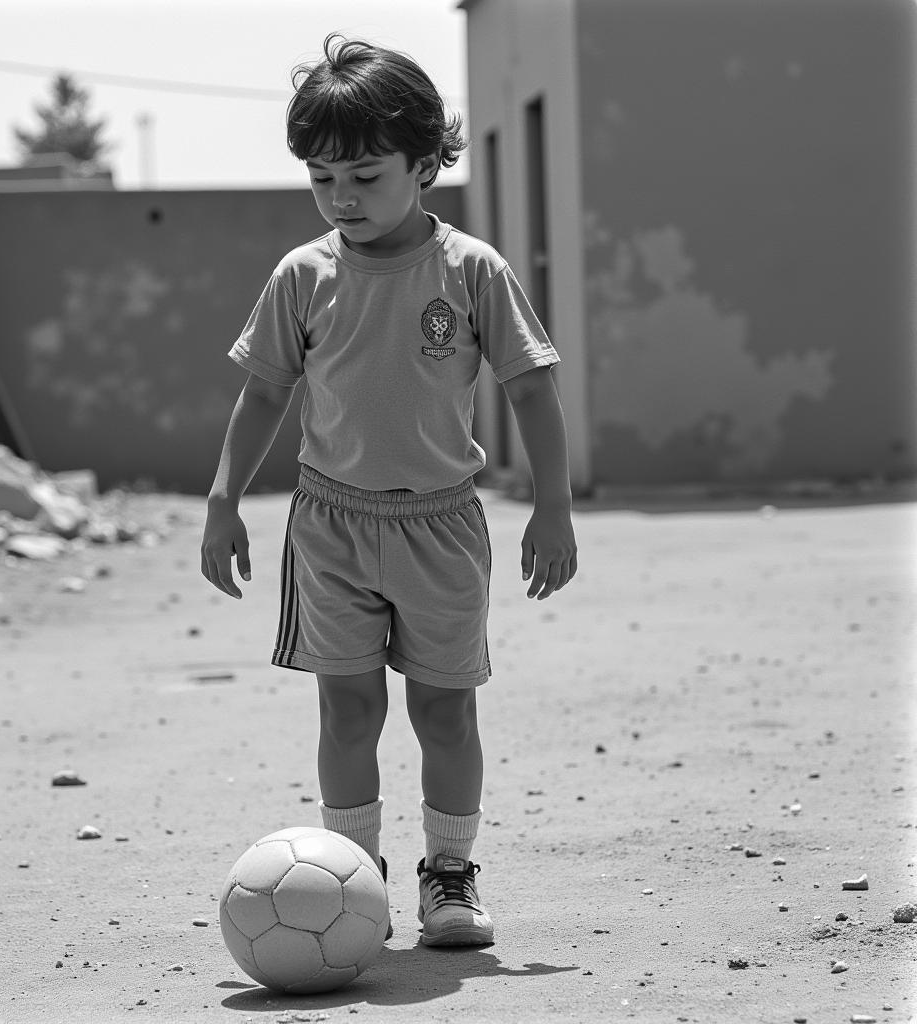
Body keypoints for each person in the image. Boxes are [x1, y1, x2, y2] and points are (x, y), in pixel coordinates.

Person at [201, 33, 577, 948]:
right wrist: (221, 501)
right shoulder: (303, 276)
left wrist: (555, 510)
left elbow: (531, 386)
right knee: (349, 706)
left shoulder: (472, 269)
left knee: (444, 706)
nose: (344, 197)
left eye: (366, 174)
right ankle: (351, 876)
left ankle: (450, 877)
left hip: (441, 523)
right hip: (331, 522)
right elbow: (263, 392)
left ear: (425, 164)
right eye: (324, 177)